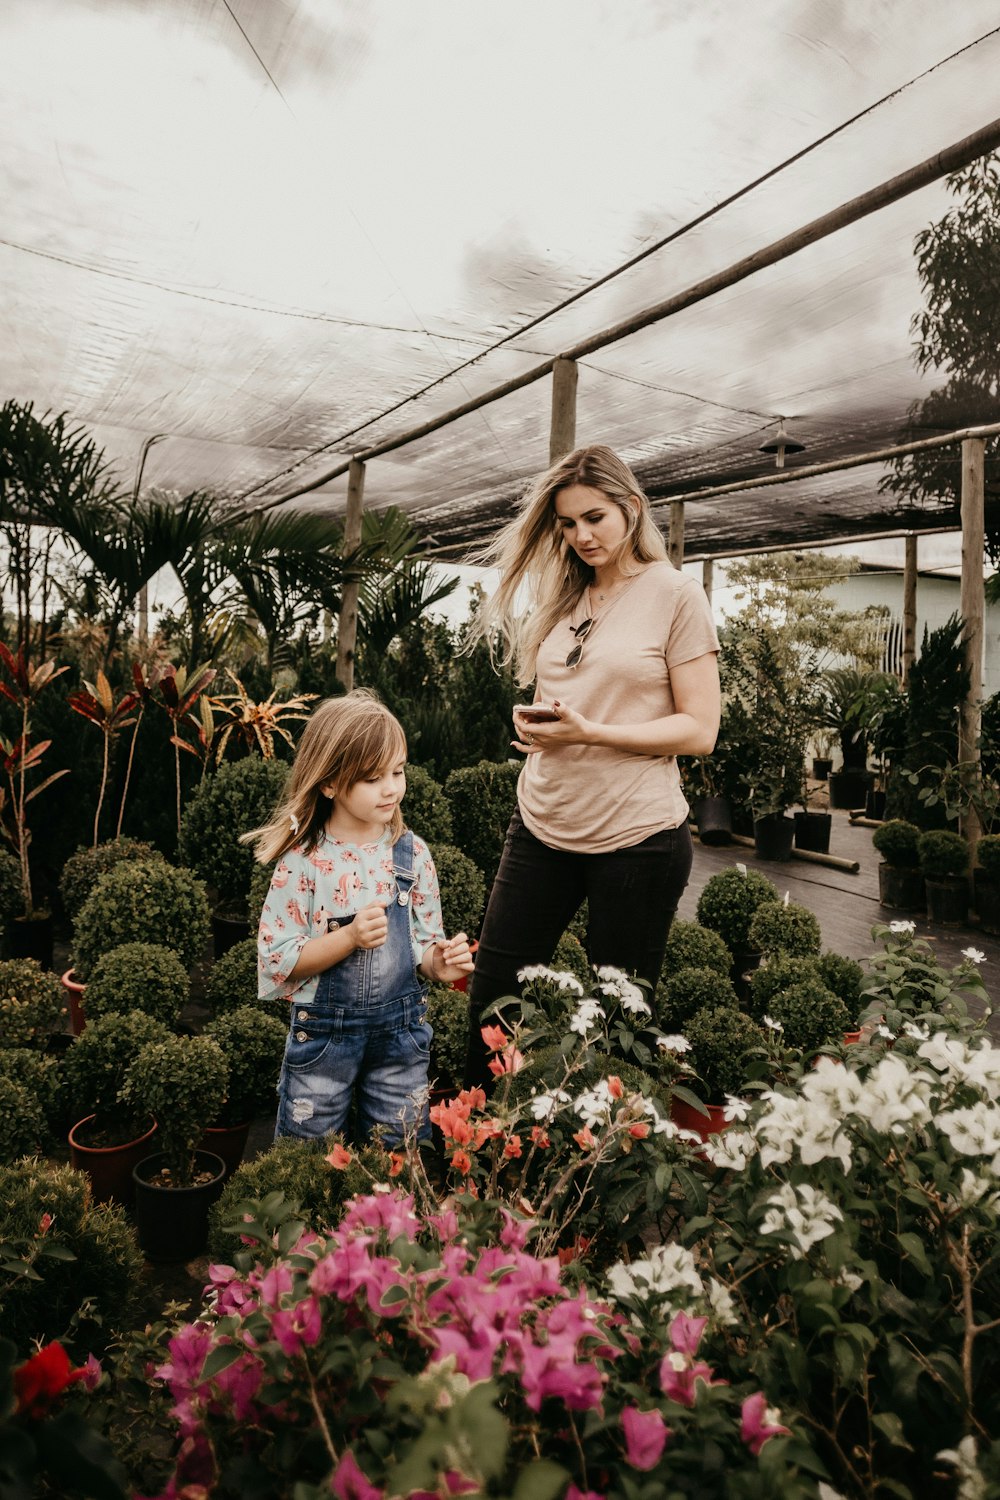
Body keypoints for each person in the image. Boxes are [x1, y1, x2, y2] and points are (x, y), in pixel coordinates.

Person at [462, 443, 720, 1087]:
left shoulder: (676, 594)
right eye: (567, 524)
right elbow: (574, 696)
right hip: (543, 821)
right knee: (493, 999)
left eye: (595, 518)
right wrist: (542, 725)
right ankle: (469, 1148)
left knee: (616, 1023)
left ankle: (597, 1173)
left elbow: (700, 729)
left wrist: (591, 732)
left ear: (631, 508)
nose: (581, 535)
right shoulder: (567, 596)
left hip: (636, 838)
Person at [247, 689, 474, 1145]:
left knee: (401, 1151)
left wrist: (439, 963)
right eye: (373, 778)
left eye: (398, 771)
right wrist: (348, 937)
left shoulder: (412, 856)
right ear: (330, 783)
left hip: (400, 1040)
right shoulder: (304, 862)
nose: (391, 787)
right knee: (306, 1159)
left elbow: (421, 948)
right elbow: (279, 960)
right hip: (324, 1043)